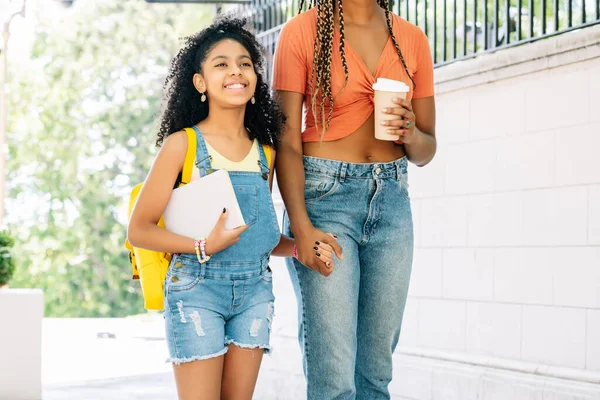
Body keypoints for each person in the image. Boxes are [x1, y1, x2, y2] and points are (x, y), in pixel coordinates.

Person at [127, 16, 335, 400]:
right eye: (221, 64)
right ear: (200, 83)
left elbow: (255, 235)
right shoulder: (182, 146)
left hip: (255, 291)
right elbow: (139, 230)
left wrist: (303, 247)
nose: (236, 71)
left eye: (244, 63)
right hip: (195, 289)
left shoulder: (265, 154)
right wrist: (204, 245)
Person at [272, 0, 437, 397]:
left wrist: (411, 133)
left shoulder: (412, 38)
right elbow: (286, 141)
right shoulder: (301, 31)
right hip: (324, 199)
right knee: (334, 378)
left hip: (393, 200)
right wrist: (302, 227)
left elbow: (427, 149)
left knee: (375, 374)